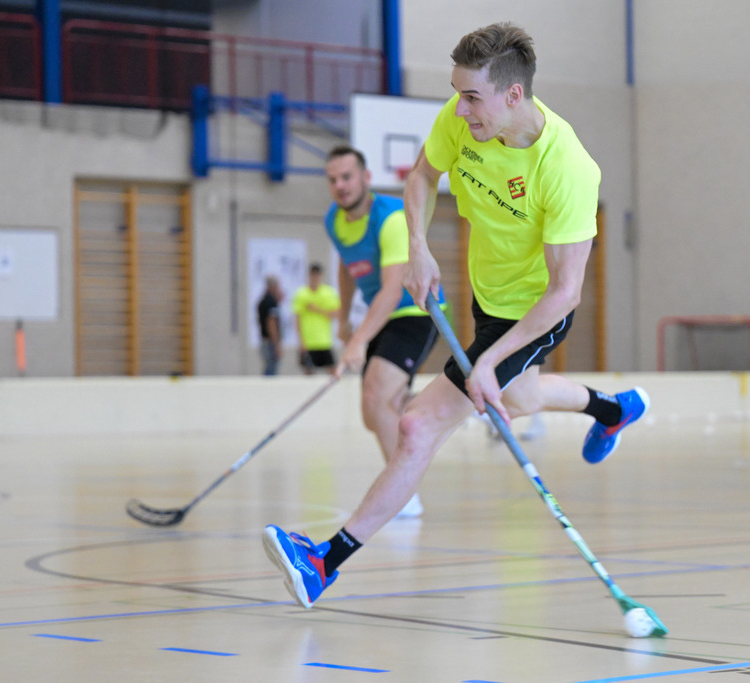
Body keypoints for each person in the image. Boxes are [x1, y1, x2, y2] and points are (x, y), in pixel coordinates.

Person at [263, 23, 649, 609]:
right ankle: (614, 409)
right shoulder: (462, 118)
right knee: (517, 400)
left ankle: (324, 562)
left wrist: (490, 358)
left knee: (418, 424)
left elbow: (566, 293)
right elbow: (421, 175)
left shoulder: (567, 168)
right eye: (456, 93)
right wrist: (417, 245)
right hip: (485, 296)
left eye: (472, 97)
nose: (459, 109)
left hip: (532, 313)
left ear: (512, 96)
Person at [322, 144, 446, 518]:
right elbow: (347, 268)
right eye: (332, 180)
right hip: (382, 315)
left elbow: (394, 289)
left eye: (347, 177)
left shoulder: (390, 218)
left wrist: (360, 340)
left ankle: (403, 495)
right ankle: (438, 407)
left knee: (376, 398)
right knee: (373, 411)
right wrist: (345, 320)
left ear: (366, 178)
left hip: (416, 310)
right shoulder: (334, 221)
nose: (340, 186)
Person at [293, 264, 340, 375]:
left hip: (324, 340)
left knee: (332, 369)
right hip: (308, 341)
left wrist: (317, 309)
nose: (315, 278)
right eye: (313, 275)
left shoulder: (328, 293)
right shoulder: (302, 293)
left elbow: (335, 314)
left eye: (317, 275)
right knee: (308, 371)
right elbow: (297, 319)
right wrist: (301, 341)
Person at [256, 275, 284, 376]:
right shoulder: (270, 302)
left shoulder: (263, 300)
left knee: (269, 365)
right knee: (271, 367)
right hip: (270, 341)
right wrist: (276, 343)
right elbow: (271, 323)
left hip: (265, 340)